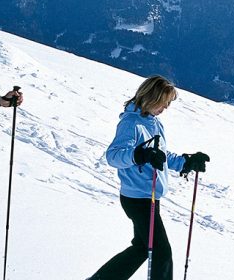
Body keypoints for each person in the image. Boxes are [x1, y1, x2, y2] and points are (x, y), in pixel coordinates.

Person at [87, 75, 210, 280]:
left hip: (149, 196)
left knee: (143, 247)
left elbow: (161, 155)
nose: (166, 107)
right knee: (162, 252)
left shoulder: (154, 123)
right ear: (152, 97)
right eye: (164, 102)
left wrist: (186, 162)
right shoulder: (131, 124)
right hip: (138, 199)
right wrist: (139, 155)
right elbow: (114, 156)